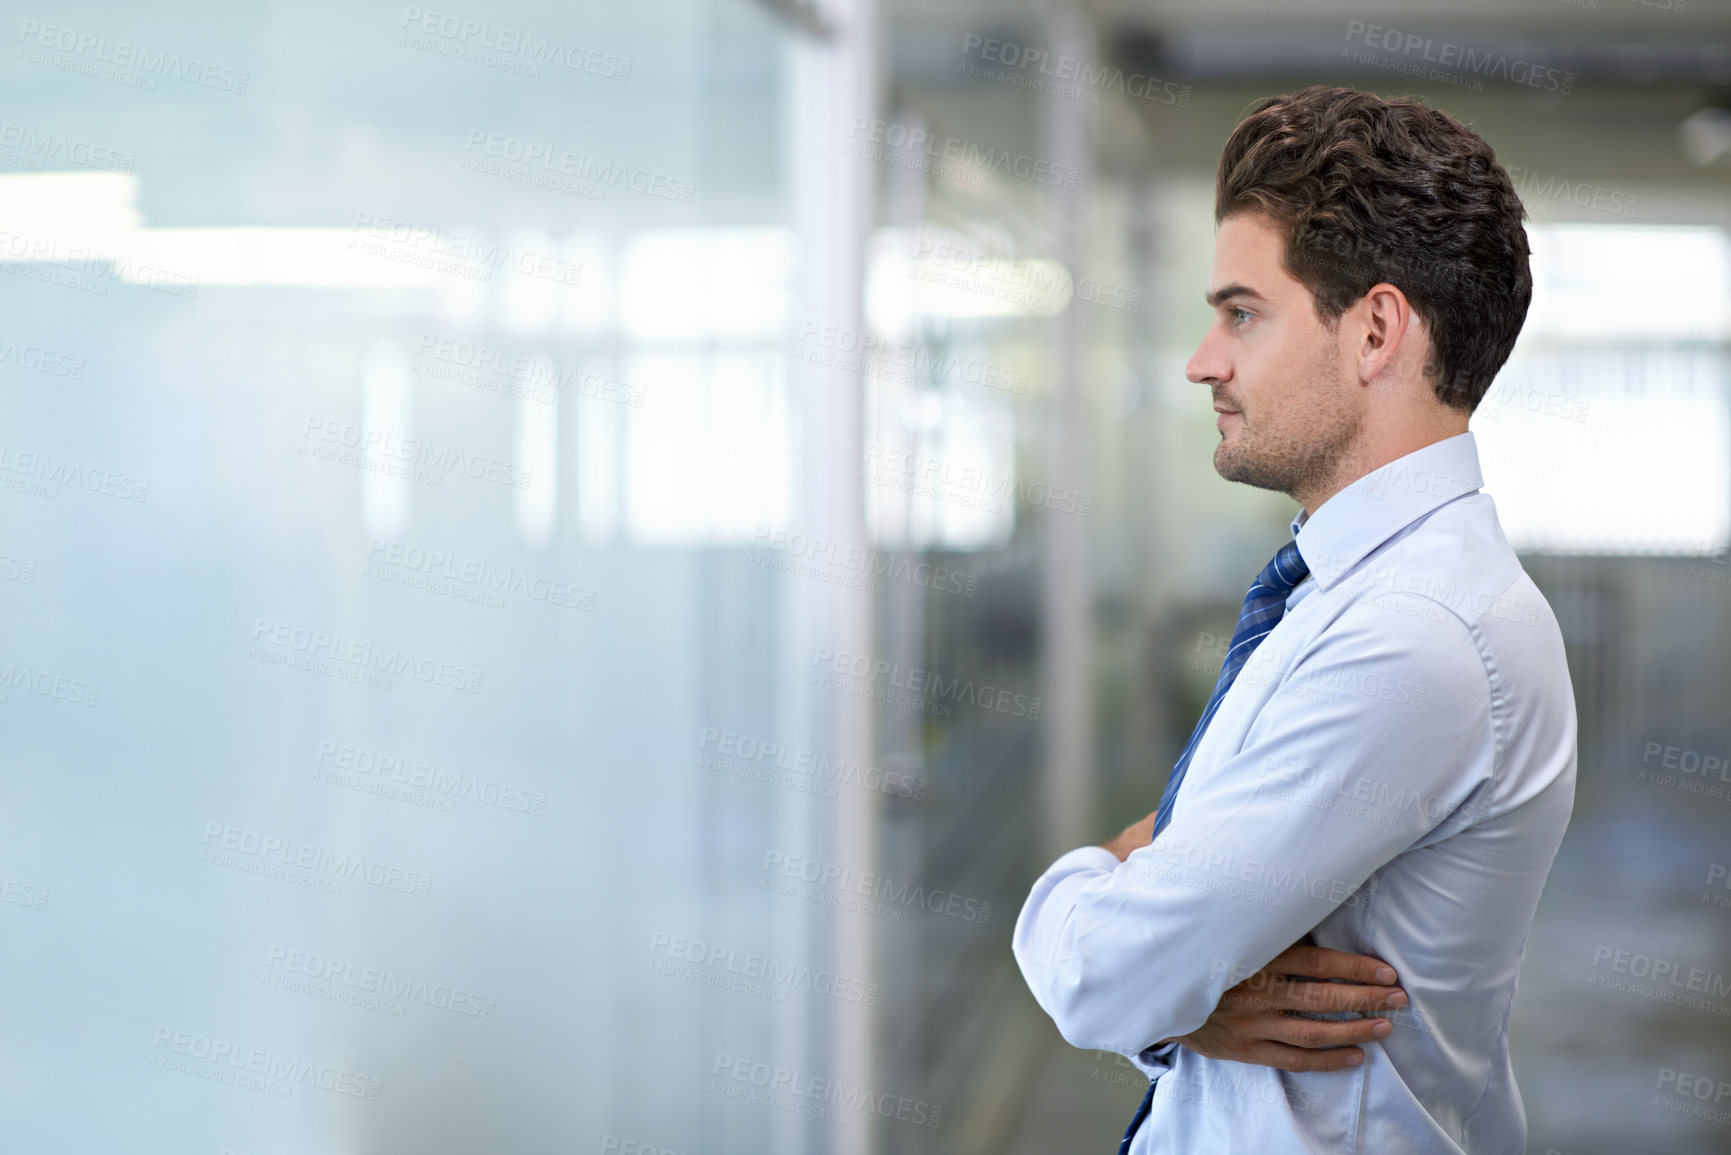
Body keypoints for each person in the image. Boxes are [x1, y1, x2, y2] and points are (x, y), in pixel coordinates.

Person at [1012, 85, 1577, 1154]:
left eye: (1241, 312)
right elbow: (1159, 959)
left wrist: (1108, 893)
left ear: (1373, 330)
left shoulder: (1412, 636)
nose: (1201, 361)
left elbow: (1102, 973)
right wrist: (1185, 981)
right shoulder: (1351, 593)